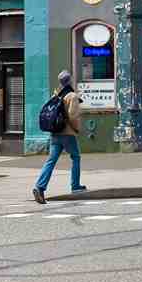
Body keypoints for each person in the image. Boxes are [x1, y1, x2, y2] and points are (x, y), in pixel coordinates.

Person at [32, 71, 85, 204]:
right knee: (76, 157)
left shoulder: (56, 95)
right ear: (70, 80)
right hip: (68, 134)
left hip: (55, 133)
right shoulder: (72, 96)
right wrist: (77, 129)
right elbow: (73, 116)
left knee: (51, 161)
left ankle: (39, 187)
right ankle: (75, 186)